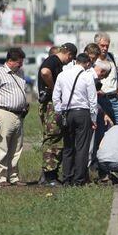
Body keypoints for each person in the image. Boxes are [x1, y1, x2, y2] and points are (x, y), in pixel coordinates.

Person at [52, 53, 98, 186]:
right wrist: (93, 119)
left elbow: (56, 97)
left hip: (66, 113)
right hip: (82, 113)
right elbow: (92, 100)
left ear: (76, 61)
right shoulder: (87, 76)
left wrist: (59, 112)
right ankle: (79, 180)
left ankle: (67, 179)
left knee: (68, 146)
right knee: (82, 147)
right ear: (87, 64)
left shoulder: (62, 75)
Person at [38, 42, 77, 186]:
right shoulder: (54, 60)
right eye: (70, 59)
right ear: (69, 55)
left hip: (51, 105)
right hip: (50, 105)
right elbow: (45, 72)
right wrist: (54, 88)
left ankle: (50, 174)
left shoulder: (55, 61)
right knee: (53, 139)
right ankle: (49, 176)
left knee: (54, 139)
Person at [0, 48, 28, 187]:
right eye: (19, 62)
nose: (21, 65)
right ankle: (1, 178)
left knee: (17, 147)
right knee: (3, 146)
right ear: (10, 61)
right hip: (5, 113)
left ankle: (14, 176)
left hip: (19, 115)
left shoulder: (20, 73)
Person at [95, 32, 118, 125]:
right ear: (96, 45)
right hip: (98, 101)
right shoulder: (92, 60)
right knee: (101, 131)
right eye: (102, 45)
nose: (105, 48)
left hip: (114, 100)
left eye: (107, 46)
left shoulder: (113, 57)